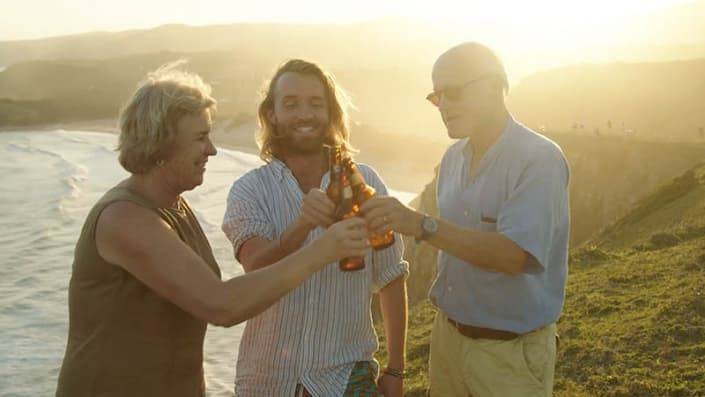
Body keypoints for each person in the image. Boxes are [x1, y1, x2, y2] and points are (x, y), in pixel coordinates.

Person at [55, 62, 368, 397]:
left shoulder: (175, 206)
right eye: (201, 138)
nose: (212, 150)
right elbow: (221, 305)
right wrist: (322, 250)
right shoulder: (124, 219)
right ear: (162, 142)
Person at [360, 42, 570, 396]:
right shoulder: (452, 159)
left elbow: (512, 255)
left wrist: (420, 224)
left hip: (509, 355)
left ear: (493, 86)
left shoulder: (539, 159)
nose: (443, 106)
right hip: (447, 342)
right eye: (436, 96)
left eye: (453, 92)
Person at [222, 59, 408, 397]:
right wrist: (301, 226)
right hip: (266, 382)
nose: (304, 114)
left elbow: (391, 276)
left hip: (347, 379)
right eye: (291, 104)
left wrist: (396, 370)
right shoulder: (249, 190)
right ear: (272, 114)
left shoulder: (366, 184)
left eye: (315, 103)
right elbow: (254, 270)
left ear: (331, 113)